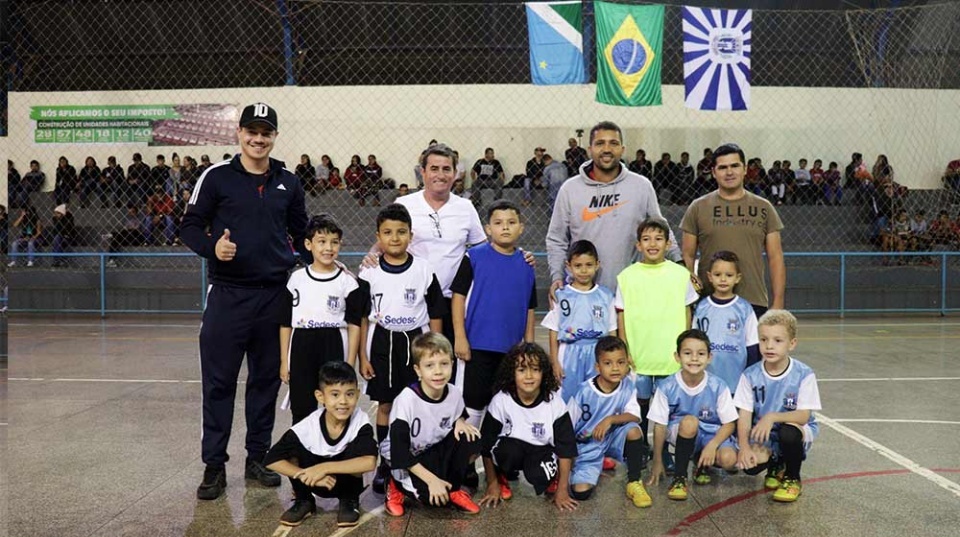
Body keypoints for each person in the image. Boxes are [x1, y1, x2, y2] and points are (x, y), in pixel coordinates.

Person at [181, 102, 309, 501]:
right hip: (227, 296)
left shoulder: (289, 181)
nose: (258, 139)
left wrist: (324, 260)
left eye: (265, 132)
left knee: (265, 383)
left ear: (274, 136)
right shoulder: (216, 177)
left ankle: (257, 458)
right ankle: (214, 466)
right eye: (251, 131)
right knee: (218, 383)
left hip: (274, 297)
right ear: (239, 133)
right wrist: (210, 248)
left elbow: (303, 234)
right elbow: (188, 226)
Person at [356, 203, 446, 494]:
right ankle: (387, 462)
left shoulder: (423, 269)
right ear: (378, 236)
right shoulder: (369, 273)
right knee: (386, 405)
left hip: (416, 343)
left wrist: (436, 352)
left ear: (411, 235)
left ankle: (414, 456)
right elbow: (362, 318)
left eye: (401, 232)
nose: (394, 238)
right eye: (388, 233)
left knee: (416, 403)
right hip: (383, 342)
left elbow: (435, 312)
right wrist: (363, 356)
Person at [546, 121, 681, 296]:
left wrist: (679, 262)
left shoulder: (641, 185)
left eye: (614, 143)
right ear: (590, 149)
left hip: (632, 292)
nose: (607, 149)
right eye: (600, 143)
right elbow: (556, 239)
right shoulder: (570, 189)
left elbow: (662, 228)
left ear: (622, 149)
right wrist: (557, 276)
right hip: (585, 294)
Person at [387, 143, 486, 349]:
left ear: (455, 173)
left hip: (454, 304)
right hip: (413, 300)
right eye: (434, 168)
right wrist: (370, 255)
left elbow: (483, 250)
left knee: (447, 365)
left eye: (446, 169)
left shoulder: (465, 208)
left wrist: (517, 254)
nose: (440, 175)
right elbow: (385, 242)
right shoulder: (404, 204)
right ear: (422, 172)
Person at [451, 200, 536, 427]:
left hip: (511, 351)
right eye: (498, 223)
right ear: (488, 229)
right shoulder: (474, 257)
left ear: (521, 227)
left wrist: (529, 347)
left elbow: (529, 307)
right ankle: (466, 460)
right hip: (477, 347)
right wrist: (460, 337)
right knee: (472, 405)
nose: (505, 227)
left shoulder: (527, 263)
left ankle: (496, 458)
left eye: (511, 222)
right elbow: (458, 297)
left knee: (504, 407)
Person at [263, 361, 377, 528]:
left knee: (359, 453)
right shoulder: (307, 426)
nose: (343, 401)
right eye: (335, 394)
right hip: (313, 480)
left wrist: (324, 468)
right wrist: (303, 474)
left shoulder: (360, 421)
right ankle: (304, 500)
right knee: (292, 452)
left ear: (358, 394)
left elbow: (370, 462)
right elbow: (271, 459)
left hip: (343, 481)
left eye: (350, 394)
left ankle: (349, 500)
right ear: (320, 396)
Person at [380, 332, 482, 516]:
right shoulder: (406, 400)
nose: (438, 371)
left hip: (431, 449)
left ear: (452, 364)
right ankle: (395, 485)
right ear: (418, 370)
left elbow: (458, 415)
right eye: (429, 365)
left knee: (471, 437)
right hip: (403, 457)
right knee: (430, 499)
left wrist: (460, 421)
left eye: (444, 364)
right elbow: (399, 451)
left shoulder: (454, 392)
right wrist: (432, 480)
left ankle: (454, 488)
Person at [681, 143, 786, 317]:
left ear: (744, 169)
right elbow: (688, 257)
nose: (729, 172)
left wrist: (778, 302)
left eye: (735, 166)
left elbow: (775, 257)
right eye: (722, 167)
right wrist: (689, 299)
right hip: (709, 302)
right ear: (714, 172)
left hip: (754, 302)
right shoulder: (697, 207)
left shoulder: (764, 207)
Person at [280, 214, 365, 425]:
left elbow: (354, 326)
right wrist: (284, 361)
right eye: (322, 242)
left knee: (336, 403)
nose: (328, 248)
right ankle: (303, 453)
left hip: (334, 341)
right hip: (302, 343)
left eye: (334, 242)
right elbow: (285, 323)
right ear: (309, 244)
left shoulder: (348, 282)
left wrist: (350, 362)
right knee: (302, 407)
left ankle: (335, 453)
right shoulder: (296, 279)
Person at [616, 217, 698, 435]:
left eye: (658, 239)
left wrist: (685, 348)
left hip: (669, 355)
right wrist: (624, 348)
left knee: (668, 406)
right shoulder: (626, 277)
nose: (652, 244)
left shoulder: (681, 275)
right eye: (646, 239)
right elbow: (621, 314)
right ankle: (640, 446)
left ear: (668, 244)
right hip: (639, 354)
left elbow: (686, 311)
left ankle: (664, 451)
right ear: (638, 245)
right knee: (639, 404)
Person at [478, 342, 578, 510]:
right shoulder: (501, 400)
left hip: (542, 449)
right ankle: (502, 477)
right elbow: (486, 445)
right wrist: (492, 483)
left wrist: (562, 490)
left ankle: (552, 479)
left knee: (540, 475)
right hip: (512, 447)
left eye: (535, 369)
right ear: (512, 373)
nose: (529, 376)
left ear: (544, 373)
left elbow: (566, 449)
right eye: (522, 370)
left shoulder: (555, 404)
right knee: (507, 453)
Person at [734, 310, 822, 503]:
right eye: (764, 339)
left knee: (788, 433)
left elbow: (803, 416)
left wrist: (772, 417)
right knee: (750, 466)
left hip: (793, 428)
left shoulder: (803, 374)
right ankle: (775, 464)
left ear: (792, 343)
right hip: (765, 433)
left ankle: (792, 478)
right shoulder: (750, 375)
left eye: (777, 340)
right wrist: (744, 447)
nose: (769, 346)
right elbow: (744, 416)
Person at [646, 329, 739, 501]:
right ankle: (680, 477)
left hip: (711, 433)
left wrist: (712, 445)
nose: (694, 358)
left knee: (728, 459)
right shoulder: (667, 386)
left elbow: (729, 424)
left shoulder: (718, 385)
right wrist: (657, 460)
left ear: (709, 357)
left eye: (701, 353)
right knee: (690, 422)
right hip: (683, 430)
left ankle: (701, 463)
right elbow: (659, 426)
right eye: (688, 353)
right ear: (677, 357)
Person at [567, 336, 650, 507]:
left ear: (627, 363)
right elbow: (566, 428)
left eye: (620, 362)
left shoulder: (627, 385)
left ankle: (634, 481)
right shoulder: (583, 392)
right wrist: (570, 459)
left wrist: (610, 419)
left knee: (634, 430)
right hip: (587, 445)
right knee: (580, 493)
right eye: (608, 363)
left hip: (611, 438)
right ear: (597, 366)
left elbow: (635, 415)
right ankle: (596, 463)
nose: (615, 368)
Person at [541, 239, 616, 401]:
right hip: (569, 352)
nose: (583, 270)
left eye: (589, 265)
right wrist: (554, 362)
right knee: (568, 398)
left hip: (597, 352)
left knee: (596, 395)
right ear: (568, 266)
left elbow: (612, 331)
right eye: (578, 266)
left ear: (597, 265)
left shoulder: (605, 295)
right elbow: (553, 331)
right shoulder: (561, 295)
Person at [692, 251, 760, 392]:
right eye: (718, 275)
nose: (723, 279)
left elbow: (753, 346)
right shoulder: (702, 307)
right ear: (710, 277)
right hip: (707, 382)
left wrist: (749, 378)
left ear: (737, 278)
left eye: (729, 275)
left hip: (736, 383)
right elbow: (694, 342)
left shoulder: (744, 308)